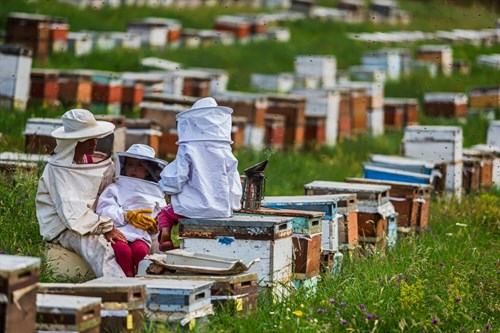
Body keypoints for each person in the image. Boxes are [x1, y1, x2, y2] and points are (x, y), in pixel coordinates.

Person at [36, 109, 126, 278]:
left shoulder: (89, 161)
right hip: (63, 227)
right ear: (74, 142)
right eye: (88, 139)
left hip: (91, 220)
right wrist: (106, 227)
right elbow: (72, 214)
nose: (95, 142)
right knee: (99, 248)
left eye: (95, 137)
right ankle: (119, 288)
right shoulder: (59, 171)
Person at [157, 97, 243, 251]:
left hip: (190, 211)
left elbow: (177, 178)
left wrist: (167, 189)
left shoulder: (188, 148)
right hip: (220, 211)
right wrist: (234, 205)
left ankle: (166, 236)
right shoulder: (225, 150)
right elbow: (233, 181)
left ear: (193, 121)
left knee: (165, 214)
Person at [96, 144, 168, 277]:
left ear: (147, 170)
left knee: (141, 252)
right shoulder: (115, 188)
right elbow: (104, 209)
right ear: (124, 166)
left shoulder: (155, 193)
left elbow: (162, 217)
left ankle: (143, 283)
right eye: (130, 164)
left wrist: (155, 226)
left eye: (139, 165)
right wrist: (126, 215)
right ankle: (127, 281)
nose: (134, 168)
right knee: (123, 252)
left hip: (140, 235)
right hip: (117, 232)